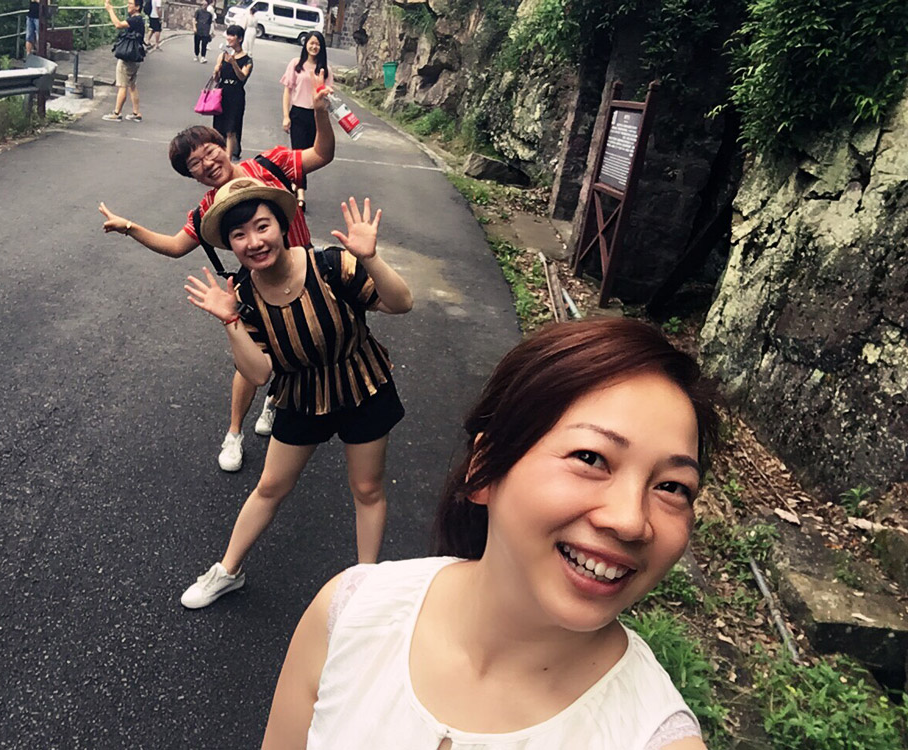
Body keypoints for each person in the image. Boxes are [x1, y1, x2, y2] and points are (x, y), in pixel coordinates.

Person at [262, 318, 717, 749]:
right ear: (484, 470)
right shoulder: (349, 613)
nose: (631, 520)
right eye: (591, 458)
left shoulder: (653, 737)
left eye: (672, 487)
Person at [179, 179, 413, 609]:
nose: (254, 241)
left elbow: (401, 303)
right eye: (239, 234)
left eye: (262, 226)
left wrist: (370, 259)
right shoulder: (242, 296)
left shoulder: (330, 265)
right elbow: (259, 372)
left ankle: (364, 582)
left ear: (282, 226)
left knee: (366, 488)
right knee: (270, 486)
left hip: (363, 384)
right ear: (231, 245)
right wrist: (230, 322)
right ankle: (227, 571)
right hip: (301, 394)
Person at [96, 89, 335, 470]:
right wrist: (129, 227)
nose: (207, 163)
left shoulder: (271, 164)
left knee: (305, 345)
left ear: (223, 145)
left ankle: (276, 402)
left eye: (210, 152)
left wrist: (320, 112)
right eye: (195, 164)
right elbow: (176, 246)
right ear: (191, 176)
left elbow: (321, 153)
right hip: (261, 287)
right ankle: (234, 433)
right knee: (250, 361)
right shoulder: (208, 209)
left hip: (308, 275)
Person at [280, 31, 332, 211]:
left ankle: (294, 185)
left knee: (310, 154)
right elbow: (287, 91)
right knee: (298, 154)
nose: (314, 47)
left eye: (317, 44)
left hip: (316, 115)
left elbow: (328, 95)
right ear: (306, 44)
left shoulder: (325, 69)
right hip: (298, 113)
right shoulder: (296, 64)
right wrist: (286, 116)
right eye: (311, 43)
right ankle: (300, 195)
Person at [212, 25, 251, 160]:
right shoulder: (222, 56)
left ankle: (228, 159)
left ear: (239, 39)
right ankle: (218, 155)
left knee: (231, 129)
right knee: (218, 128)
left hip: (236, 95)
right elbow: (216, 79)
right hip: (222, 93)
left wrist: (234, 63)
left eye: (232, 35)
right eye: (228, 35)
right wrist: (216, 71)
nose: (229, 38)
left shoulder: (247, 60)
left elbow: (242, 77)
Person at [103, 0, 145, 122]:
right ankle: (136, 113)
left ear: (137, 7)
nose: (128, 5)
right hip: (135, 56)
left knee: (122, 85)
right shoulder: (139, 20)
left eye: (130, 3)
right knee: (132, 85)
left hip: (128, 57)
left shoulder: (135, 20)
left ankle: (117, 113)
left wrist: (110, 10)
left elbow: (118, 25)